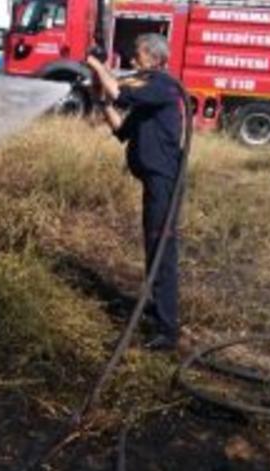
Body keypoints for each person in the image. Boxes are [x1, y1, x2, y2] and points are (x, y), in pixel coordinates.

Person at [86, 34, 184, 351]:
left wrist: (98, 66)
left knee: (162, 255)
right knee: (153, 249)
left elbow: (119, 91)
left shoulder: (163, 86)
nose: (132, 61)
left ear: (154, 59)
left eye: (137, 56)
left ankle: (168, 332)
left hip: (164, 183)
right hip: (153, 183)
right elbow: (121, 131)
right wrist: (100, 101)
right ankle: (158, 309)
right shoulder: (148, 97)